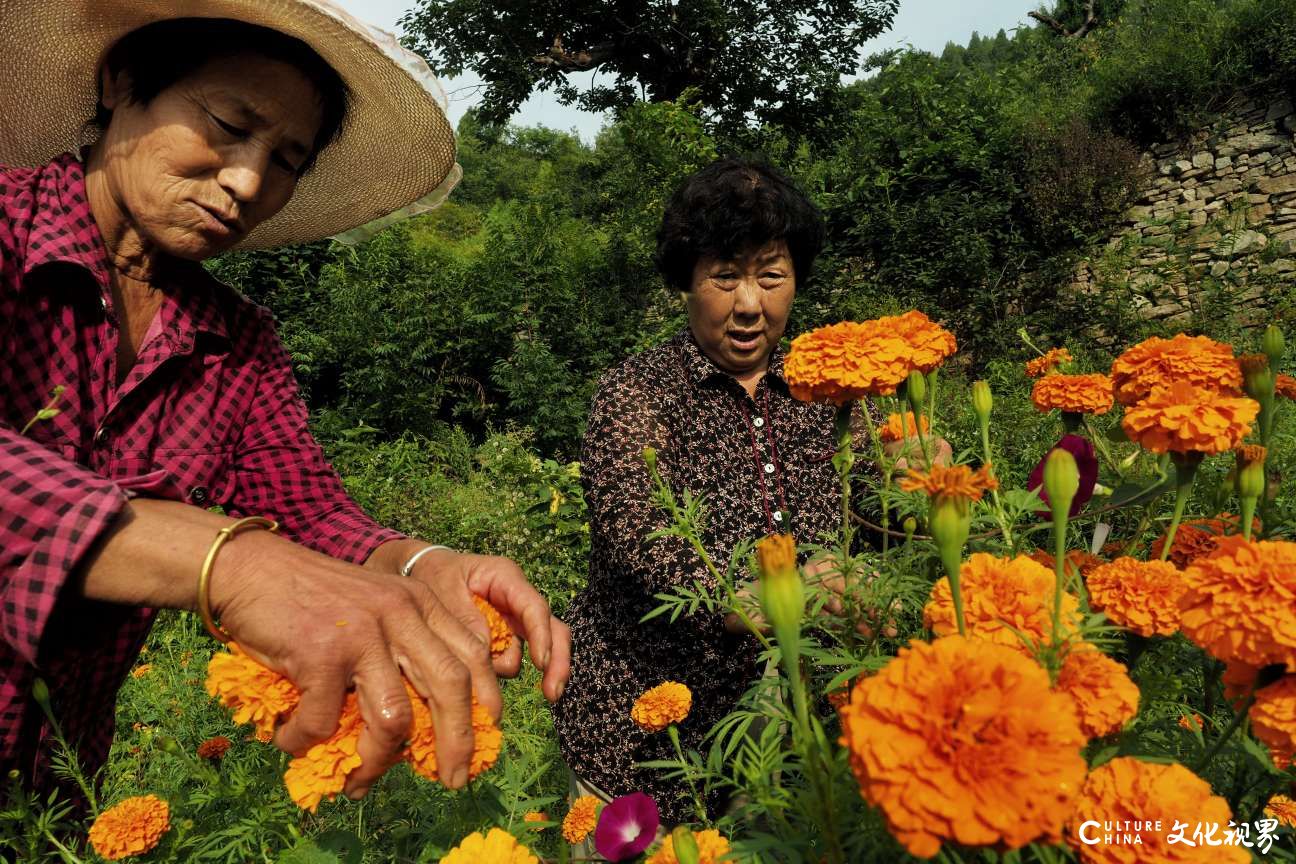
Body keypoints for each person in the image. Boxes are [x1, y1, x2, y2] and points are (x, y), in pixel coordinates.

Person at [0, 2, 569, 808]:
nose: (248, 181)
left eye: (287, 160)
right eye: (229, 124)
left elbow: (306, 510)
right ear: (121, 82)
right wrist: (228, 562)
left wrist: (424, 565)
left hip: (52, 793)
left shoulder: (236, 340)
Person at [551, 157, 945, 828]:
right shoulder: (636, 392)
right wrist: (759, 600)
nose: (749, 303)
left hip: (790, 738)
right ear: (687, 283)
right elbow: (637, 539)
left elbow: (866, 523)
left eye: (770, 275)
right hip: (642, 741)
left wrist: (922, 491)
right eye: (724, 276)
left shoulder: (830, 388)